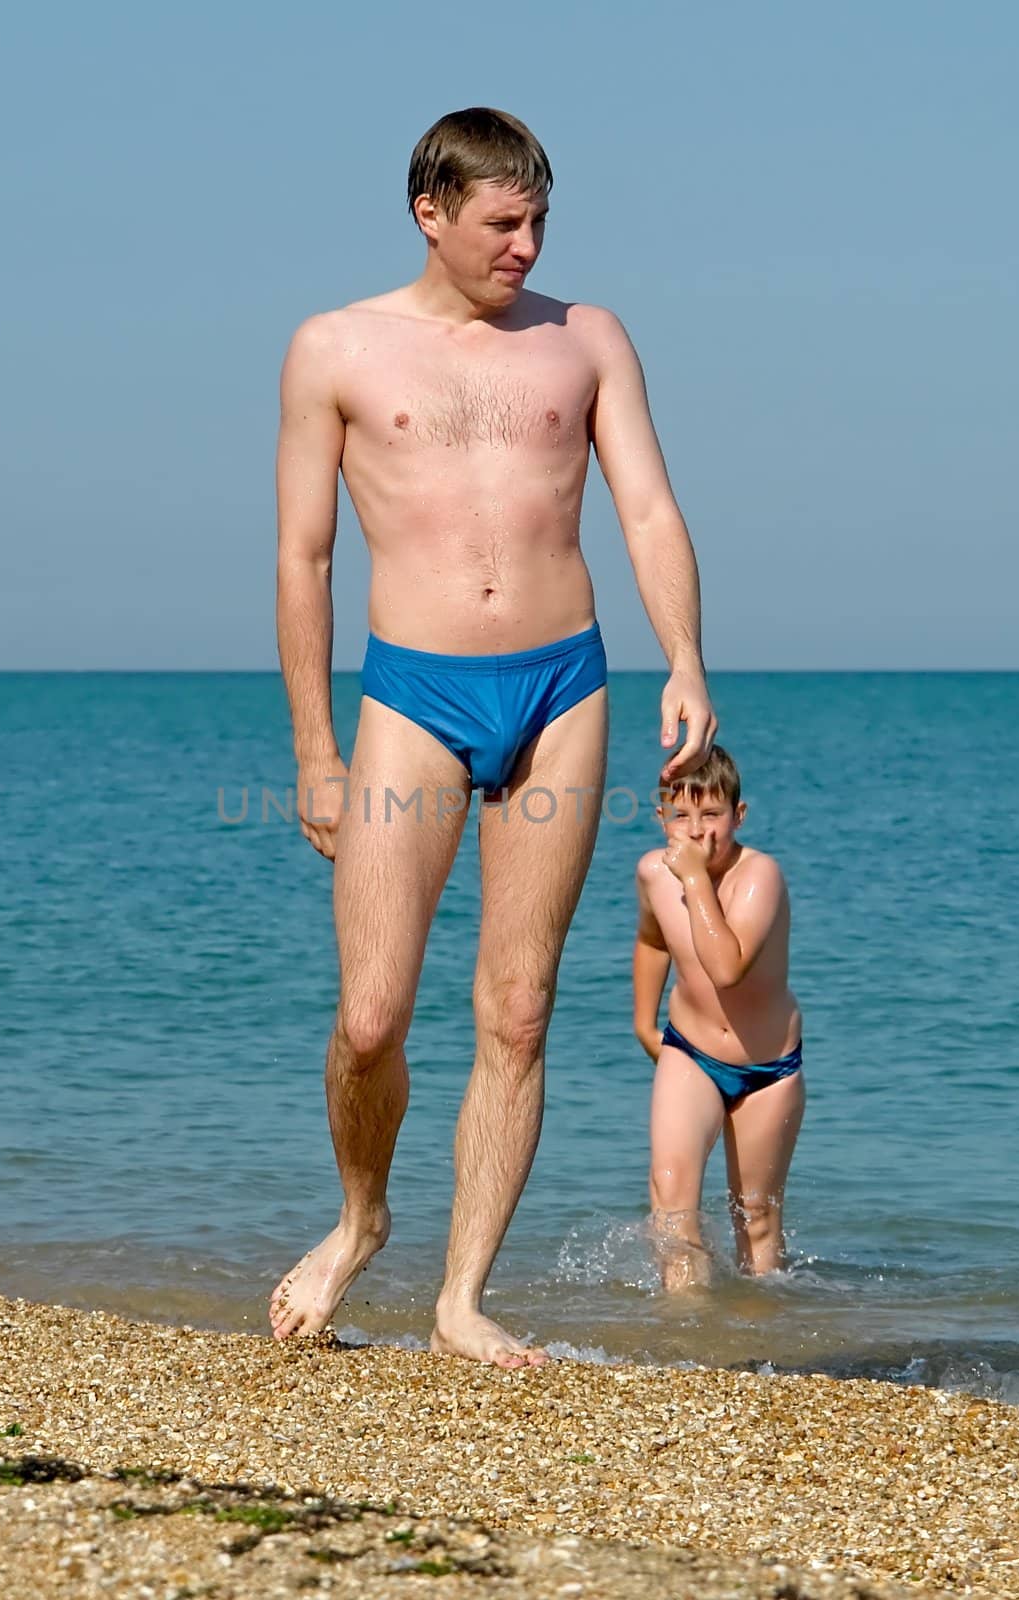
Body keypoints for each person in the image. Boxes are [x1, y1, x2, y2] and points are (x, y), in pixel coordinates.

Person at [272, 106, 716, 1366]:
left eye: (539, 222)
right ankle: (361, 1219)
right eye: (501, 222)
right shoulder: (335, 347)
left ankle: (461, 1296)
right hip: (409, 696)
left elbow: (646, 508)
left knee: (518, 1009)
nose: (526, 245)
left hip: (562, 687)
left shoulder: (587, 340)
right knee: (371, 1016)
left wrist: (684, 658)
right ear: (432, 211)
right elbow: (304, 558)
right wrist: (314, 749)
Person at [633, 746, 805, 1291]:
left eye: (712, 816)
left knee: (755, 1218)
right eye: (681, 816)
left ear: (739, 815)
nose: (697, 832)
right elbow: (653, 938)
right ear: (662, 818)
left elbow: (726, 967)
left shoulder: (761, 877)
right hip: (691, 1051)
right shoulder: (651, 874)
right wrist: (643, 1019)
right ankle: (687, 1334)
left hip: (767, 1069)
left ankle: (761, 1337)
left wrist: (695, 881)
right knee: (670, 1196)